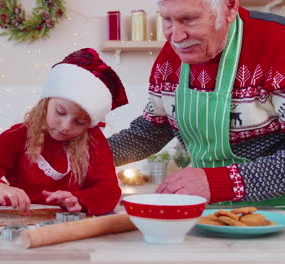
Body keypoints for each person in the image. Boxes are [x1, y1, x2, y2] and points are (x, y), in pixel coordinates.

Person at [108, 0, 284, 205]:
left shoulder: (278, 43)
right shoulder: (171, 57)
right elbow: (149, 133)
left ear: (229, 8)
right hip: (208, 212)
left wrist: (219, 183)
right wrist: (81, 157)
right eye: (167, 20)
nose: (176, 36)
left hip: (279, 212)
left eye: (189, 19)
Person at [0, 48, 128, 215]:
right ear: (45, 103)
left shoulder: (93, 141)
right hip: (24, 223)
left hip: (74, 228)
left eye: (80, 122)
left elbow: (109, 191)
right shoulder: (18, 136)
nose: (66, 126)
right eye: (60, 112)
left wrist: (79, 200)